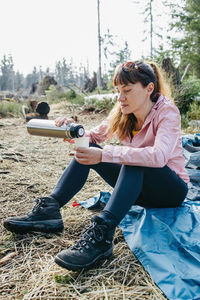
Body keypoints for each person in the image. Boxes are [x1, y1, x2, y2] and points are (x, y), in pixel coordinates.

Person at [4, 60, 189, 271]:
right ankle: (50, 209)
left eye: (127, 90)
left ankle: (102, 234)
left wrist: (104, 155)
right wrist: (73, 130)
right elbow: (93, 136)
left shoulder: (167, 112)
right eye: (118, 91)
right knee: (88, 147)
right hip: (139, 191)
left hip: (170, 192)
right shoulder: (122, 112)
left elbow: (159, 156)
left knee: (133, 159)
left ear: (149, 88)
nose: (120, 97)